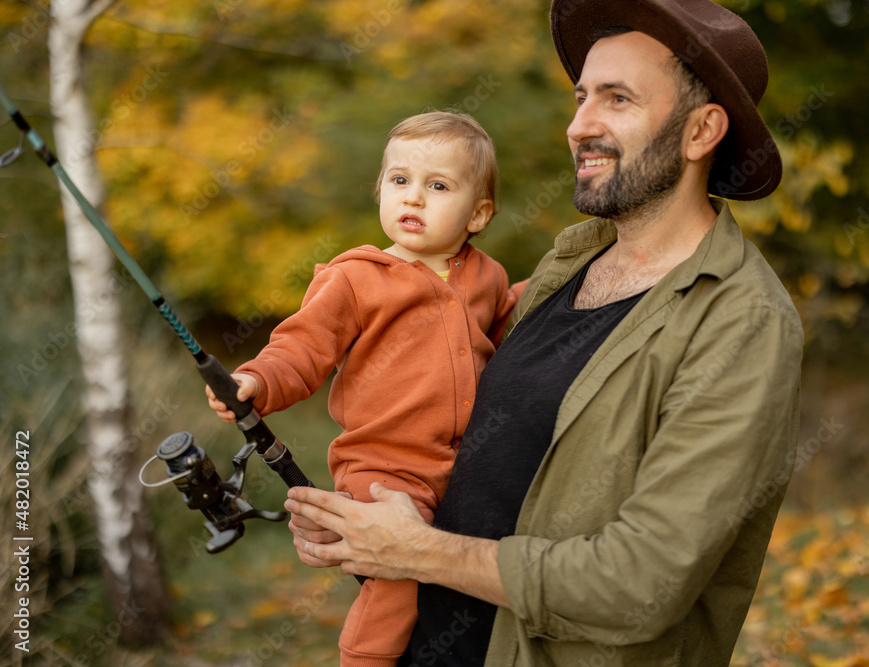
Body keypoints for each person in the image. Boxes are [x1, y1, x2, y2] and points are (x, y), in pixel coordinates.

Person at [283, 1, 804, 665]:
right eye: (581, 97)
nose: (579, 126)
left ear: (701, 130)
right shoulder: (563, 269)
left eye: (616, 99)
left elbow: (641, 583)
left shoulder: (741, 322)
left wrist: (420, 550)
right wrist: (364, 525)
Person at [206, 110, 519, 667]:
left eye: (437, 186)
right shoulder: (356, 279)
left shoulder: (487, 277)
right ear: (380, 190)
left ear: (479, 214)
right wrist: (256, 379)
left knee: (463, 574)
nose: (414, 199)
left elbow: (510, 341)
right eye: (400, 181)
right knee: (397, 573)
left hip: (466, 459)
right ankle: (365, 659)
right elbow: (301, 348)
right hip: (386, 464)